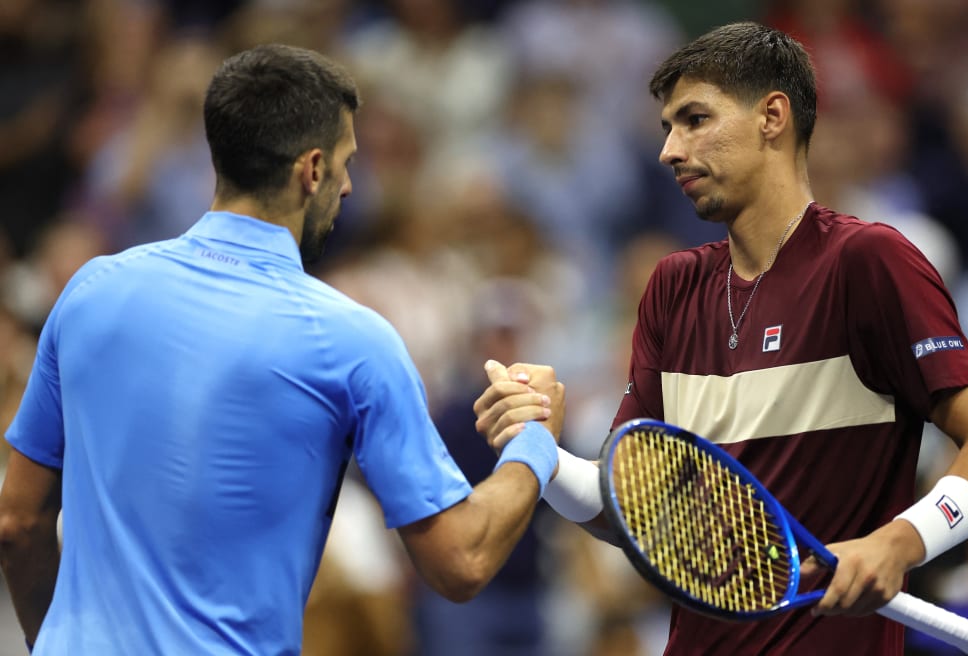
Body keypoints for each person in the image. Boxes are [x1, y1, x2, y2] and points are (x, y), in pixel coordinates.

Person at [473, 22, 968, 656]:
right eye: (667, 129)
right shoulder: (672, 287)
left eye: (694, 120)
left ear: (773, 116)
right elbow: (630, 511)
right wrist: (543, 453)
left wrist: (900, 541)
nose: (670, 151)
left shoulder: (868, 263)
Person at [0, 43, 559, 655]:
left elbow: (18, 523)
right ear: (312, 169)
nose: (349, 187)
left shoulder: (88, 293)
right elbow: (462, 559)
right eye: (347, 163)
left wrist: (49, 639)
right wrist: (535, 436)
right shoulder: (353, 341)